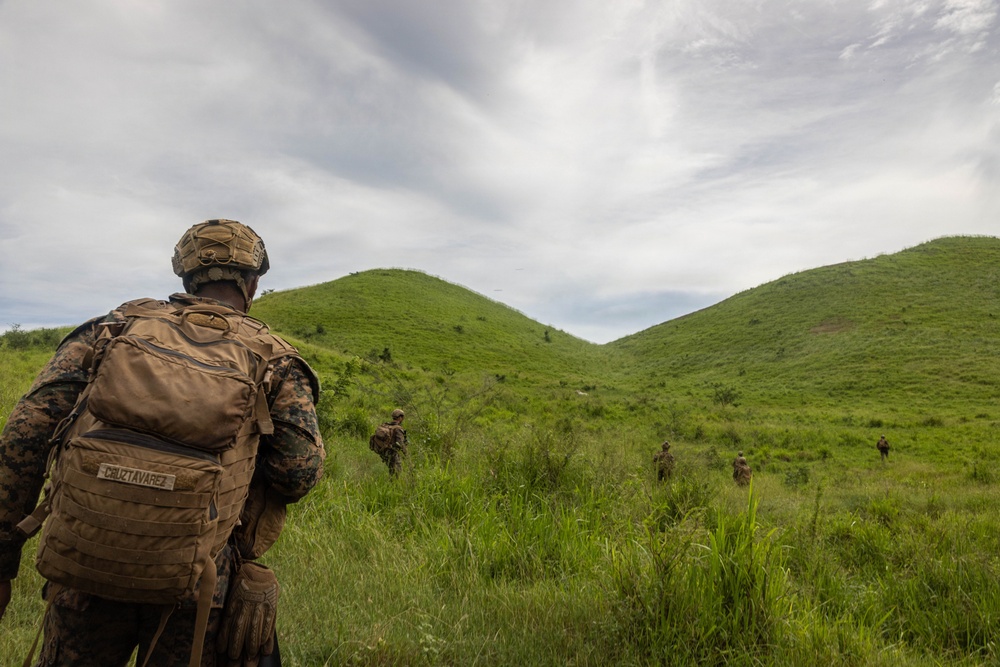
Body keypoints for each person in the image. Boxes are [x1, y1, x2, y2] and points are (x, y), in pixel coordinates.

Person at [0, 219, 325, 666]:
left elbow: (24, 438)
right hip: (198, 581)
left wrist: (3, 557)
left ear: (185, 278)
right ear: (252, 285)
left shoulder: (112, 329)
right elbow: (298, 474)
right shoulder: (277, 361)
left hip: (87, 559)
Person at [372, 409, 409, 477]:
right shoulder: (398, 428)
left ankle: (391, 482)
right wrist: (406, 455)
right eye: (402, 417)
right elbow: (400, 443)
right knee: (397, 473)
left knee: (391, 470)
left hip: (384, 451)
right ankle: (393, 484)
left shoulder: (385, 425)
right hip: (392, 452)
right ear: (400, 417)